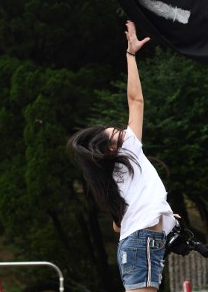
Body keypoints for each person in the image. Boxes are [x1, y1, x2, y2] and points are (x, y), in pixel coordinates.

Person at [67, 21, 176, 292]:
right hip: (141, 245)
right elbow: (136, 101)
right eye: (116, 133)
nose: (122, 130)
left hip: (135, 244)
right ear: (112, 150)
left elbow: (118, 226)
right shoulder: (128, 148)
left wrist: (168, 219)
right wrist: (130, 55)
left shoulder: (116, 178)